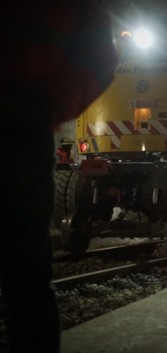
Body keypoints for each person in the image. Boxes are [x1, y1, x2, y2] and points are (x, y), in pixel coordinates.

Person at [0, 2, 118, 352]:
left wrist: (42, 106)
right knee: (27, 278)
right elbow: (98, 59)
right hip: (23, 132)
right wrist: (47, 104)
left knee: (26, 278)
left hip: (20, 135)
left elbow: (98, 59)